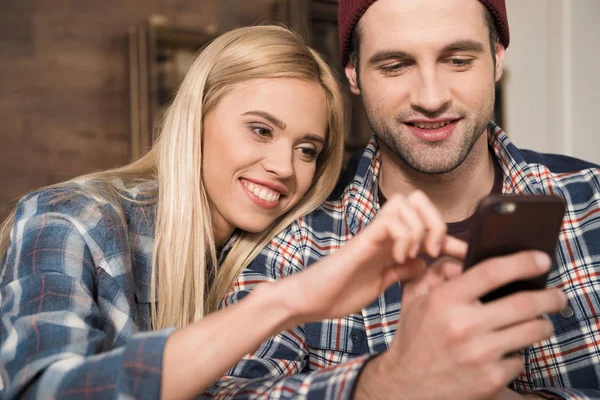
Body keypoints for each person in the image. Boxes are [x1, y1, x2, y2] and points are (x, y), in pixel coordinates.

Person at [0, 25, 467, 399]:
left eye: (307, 149)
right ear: (196, 116)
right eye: (261, 130)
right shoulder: (72, 220)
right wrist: (285, 302)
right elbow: (44, 389)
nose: (284, 167)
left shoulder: (288, 249)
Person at [205, 1, 600, 399]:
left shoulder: (592, 201)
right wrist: (385, 383)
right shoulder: (292, 237)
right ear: (354, 75)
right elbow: (229, 392)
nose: (430, 98)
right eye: (395, 66)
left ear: (496, 61)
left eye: (458, 60)